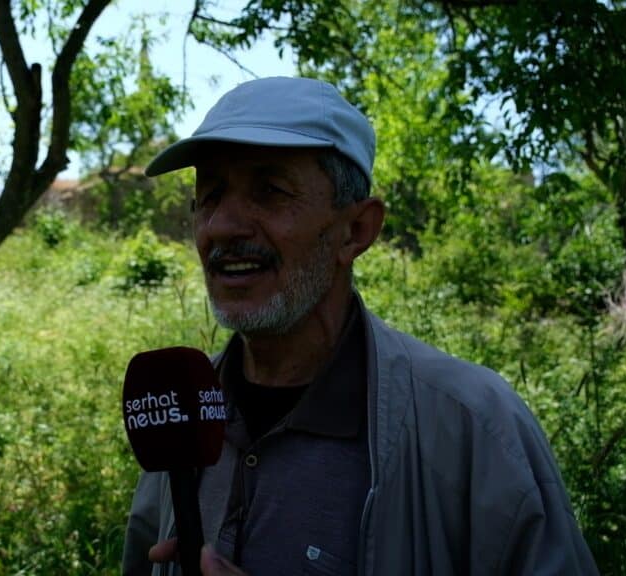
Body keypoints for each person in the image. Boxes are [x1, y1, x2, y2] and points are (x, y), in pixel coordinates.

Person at [121, 77, 598, 576]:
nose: (221, 225)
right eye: (210, 195)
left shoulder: (472, 427)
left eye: (269, 191)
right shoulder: (181, 412)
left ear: (356, 231)